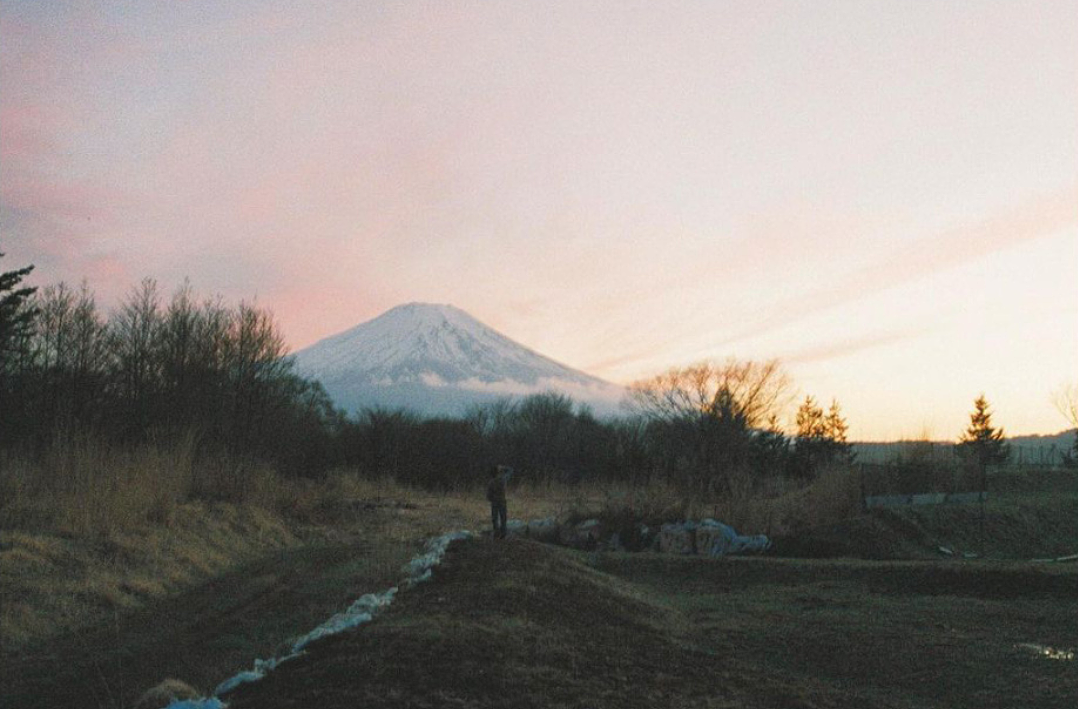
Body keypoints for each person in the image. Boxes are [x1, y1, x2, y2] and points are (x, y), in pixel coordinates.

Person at [485, 464, 512, 539]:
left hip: (494, 502)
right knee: (503, 518)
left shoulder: (491, 483)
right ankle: (503, 534)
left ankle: (496, 533)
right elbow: (510, 470)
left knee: (495, 518)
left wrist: (492, 499)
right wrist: (503, 468)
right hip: (502, 501)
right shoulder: (502, 480)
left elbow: (488, 496)